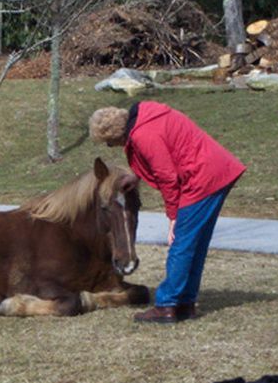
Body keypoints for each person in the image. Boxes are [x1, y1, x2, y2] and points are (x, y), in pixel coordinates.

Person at [89, 101, 245, 324]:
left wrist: (173, 217)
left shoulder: (144, 134)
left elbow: (167, 176)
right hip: (215, 171)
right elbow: (166, 154)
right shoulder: (147, 116)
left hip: (201, 177)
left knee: (181, 244)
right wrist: (137, 176)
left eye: (108, 142)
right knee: (194, 243)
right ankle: (185, 302)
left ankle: (167, 305)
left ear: (114, 134)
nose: (109, 147)